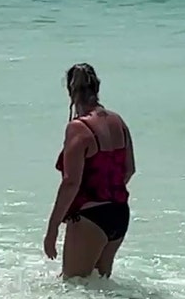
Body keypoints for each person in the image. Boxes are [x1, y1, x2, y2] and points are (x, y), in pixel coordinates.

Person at [43, 63, 136, 279]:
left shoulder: (78, 128)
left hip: (90, 217)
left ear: (71, 92)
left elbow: (70, 183)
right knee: (100, 290)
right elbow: (129, 170)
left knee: (72, 288)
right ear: (97, 87)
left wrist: (53, 228)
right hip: (119, 213)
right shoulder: (118, 121)